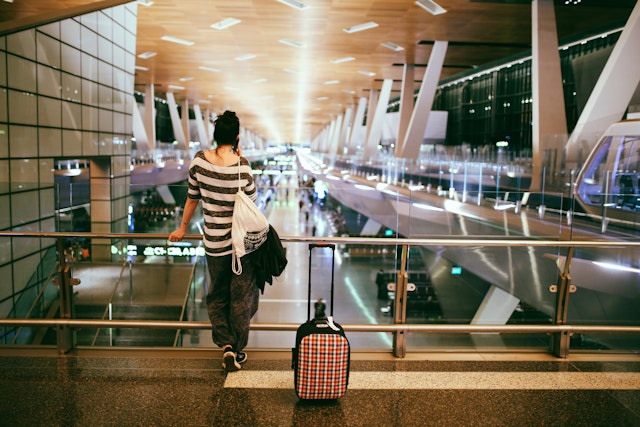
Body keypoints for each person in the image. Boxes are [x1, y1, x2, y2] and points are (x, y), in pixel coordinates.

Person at [168, 110, 259, 373]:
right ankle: (238, 348)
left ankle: (225, 346)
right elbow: (252, 202)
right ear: (237, 138)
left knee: (217, 294)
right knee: (242, 298)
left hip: (214, 244)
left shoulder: (199, 162)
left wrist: (183, 228)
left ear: (216, 136)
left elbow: (192, 198)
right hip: (241, 247)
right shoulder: (243, 166)